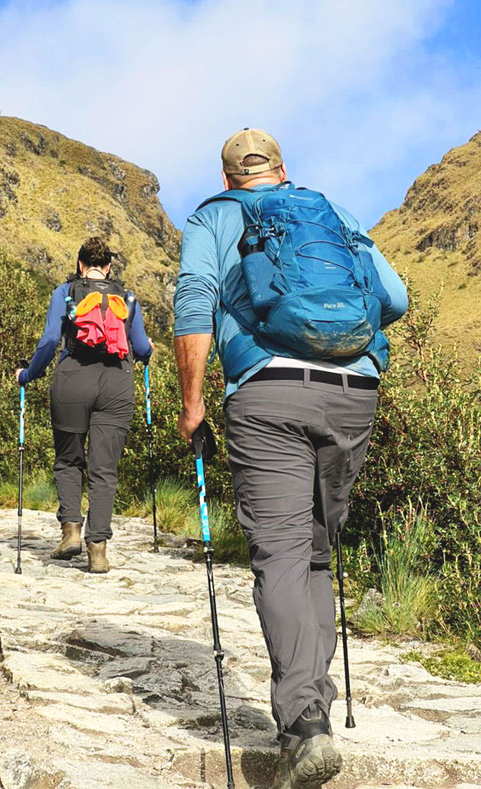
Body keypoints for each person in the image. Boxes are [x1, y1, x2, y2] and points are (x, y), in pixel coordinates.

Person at [173, 129, 408, 789]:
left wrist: (192, 403)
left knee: (279, 553)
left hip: (268, 391)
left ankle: (305, 725)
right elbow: (394, 297)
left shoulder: (214, 218)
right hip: (354, 391)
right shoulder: (329, 211)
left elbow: (194, 301)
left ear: (228, 178)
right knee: (317, 553)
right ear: (282, 169)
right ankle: (314, 703)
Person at [16, 237, 153, 574]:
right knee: (104, 469)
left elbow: (50, 340)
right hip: (117, 383)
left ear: (80, 265)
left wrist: (28, 374)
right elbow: (140, 347)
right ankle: (98, 551)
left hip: (73, 378)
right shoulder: (127, 297)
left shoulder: (65, 292)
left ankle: (71, 532)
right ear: (109, 267)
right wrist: (148, 349)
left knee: (68, 460)